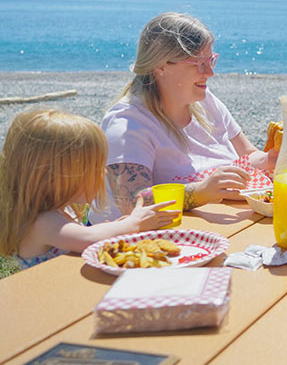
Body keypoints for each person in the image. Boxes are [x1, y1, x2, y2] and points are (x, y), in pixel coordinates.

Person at [93, 12, 276, 223]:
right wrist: (200, 192)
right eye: (198, 63)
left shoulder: (205, 101)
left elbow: (247, 154)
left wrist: (268, 159)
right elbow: (132, 202)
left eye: (211, 61)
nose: (209, 73)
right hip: (142, 240)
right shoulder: (127, 123)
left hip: (222, 222)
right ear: (160, 66)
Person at [0, 109, 176, 269]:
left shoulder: (60, 213)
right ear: (57, 176)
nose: (103, 173)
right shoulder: (42, 223)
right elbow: (88, 238)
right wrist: (134, 222)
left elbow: (84, 237)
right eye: (94, 167)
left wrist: (116, 227)